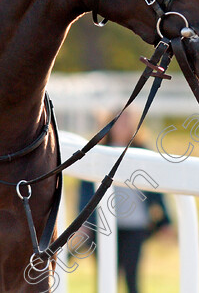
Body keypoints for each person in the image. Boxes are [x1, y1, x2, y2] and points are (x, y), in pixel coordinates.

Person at [77, 111, 171, 293]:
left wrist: (165, 221)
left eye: (128, 123)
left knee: (131, 277)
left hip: (135, 225)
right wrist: (82, 223)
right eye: (120, 123)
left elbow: (157, 192)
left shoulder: (143, 153)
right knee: (105, 277)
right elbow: (85, 191)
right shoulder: (98, 152)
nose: (124, 127)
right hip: (103, 225)